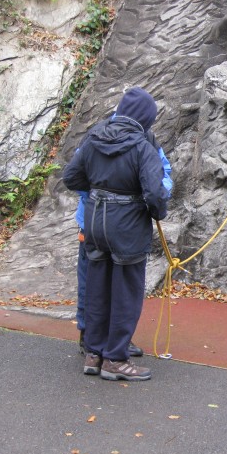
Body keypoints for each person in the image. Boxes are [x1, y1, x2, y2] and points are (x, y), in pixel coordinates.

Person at [63, 87, 169, 381]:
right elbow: (155, 195)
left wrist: (98, 191)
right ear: (145, 118)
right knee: (126, 292)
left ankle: (94, 353)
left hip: (95, 221)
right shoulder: (142, 146)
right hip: (127, 228)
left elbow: (71, 177)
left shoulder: (94, 136)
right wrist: (156, 212)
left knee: (96, 288)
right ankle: (116, 359)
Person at [73, 127, 172, 358]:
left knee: (103, 283)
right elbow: (75, 176)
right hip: (107, 225)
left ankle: (105, 343)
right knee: (102, 283)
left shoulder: (144, 138)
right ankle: (92, 339)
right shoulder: (99, 137)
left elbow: (163, 173)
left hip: (99, 223)